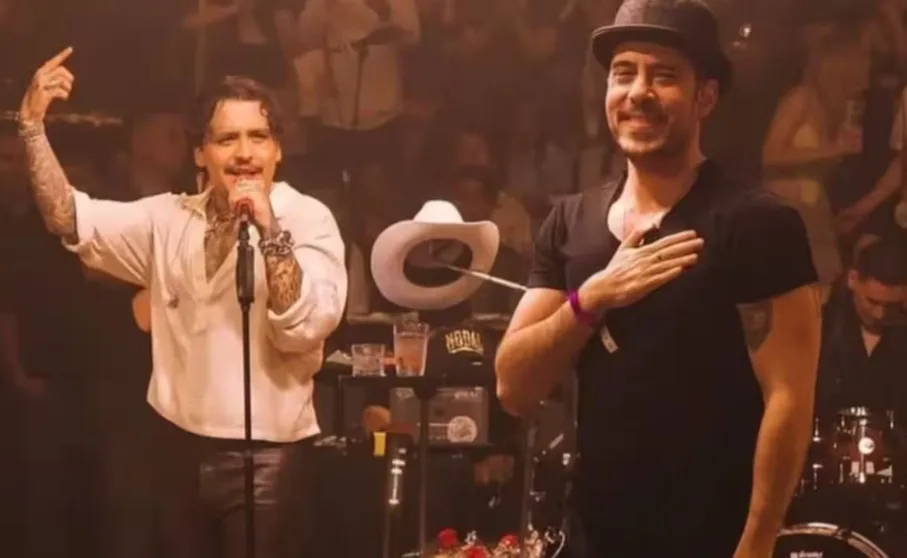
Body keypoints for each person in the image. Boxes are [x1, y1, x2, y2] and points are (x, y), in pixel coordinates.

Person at [494, 1, 822, 556]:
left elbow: (788, 397)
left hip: (712, 539)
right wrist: (592, 297)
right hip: (594, 538)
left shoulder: (757, 223)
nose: (638, 92)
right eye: (623, 74)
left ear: (705, 97)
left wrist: (758, 540)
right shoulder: (570, 222)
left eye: (664, 76)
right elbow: (513, 388)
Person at [16, 47, 347, 558]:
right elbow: (68, 218)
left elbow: (304, 328)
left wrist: (269, 231)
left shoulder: (307, 219)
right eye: (227, 139)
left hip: (266, 458)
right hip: (175, 449)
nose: (244, 152)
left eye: (258, 137)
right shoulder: (168, 219)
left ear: (278, 150)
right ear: (200, 154)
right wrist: (32, 128)